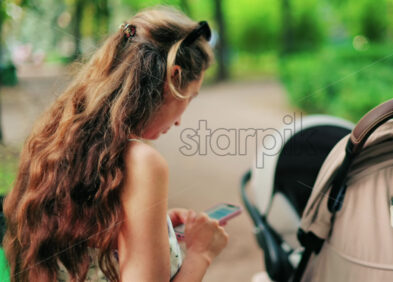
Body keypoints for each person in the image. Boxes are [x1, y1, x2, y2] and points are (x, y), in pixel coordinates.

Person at [2, 6, 228, 282]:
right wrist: (202, 251)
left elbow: (84, 238)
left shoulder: (55, 140)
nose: (180, 121)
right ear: (174, 77)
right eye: (190, 97)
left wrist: (154, 223)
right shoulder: (142, 161)